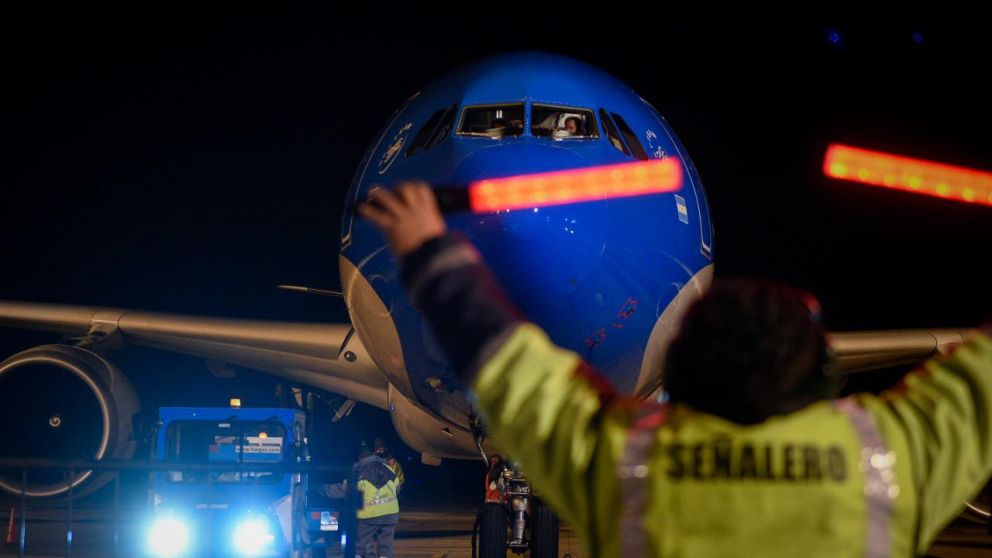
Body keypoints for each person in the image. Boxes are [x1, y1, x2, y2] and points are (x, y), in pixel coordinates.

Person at [358, 182, 992, 557]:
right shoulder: (887, 458)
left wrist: (428, 250)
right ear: (824, 374)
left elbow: (504, 362)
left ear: (682, 372)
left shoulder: (633, 464)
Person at [323, 448, 400, 558]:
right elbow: (397, 488)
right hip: (391, 514)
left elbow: (342, 490)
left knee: (360, 545)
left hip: (369, 515)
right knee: (385, 546)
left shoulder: (359, 472)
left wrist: (320, 489)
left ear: (359, 458)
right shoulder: (388, 469)